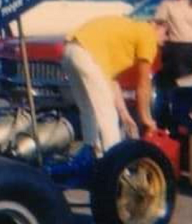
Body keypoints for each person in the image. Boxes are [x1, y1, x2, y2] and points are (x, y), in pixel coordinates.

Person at [61, 14, 168, 155]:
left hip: (70, 50)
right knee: (108, 115)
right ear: (155, 25)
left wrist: (125, 115)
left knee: (89, 111)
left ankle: (91, 156)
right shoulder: (148, 34)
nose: (166, 39)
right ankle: (115, 162)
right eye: (166, 33)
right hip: (86, 54)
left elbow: (111, 81)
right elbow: (143, 84)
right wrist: (146, 119)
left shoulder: (131, 31)